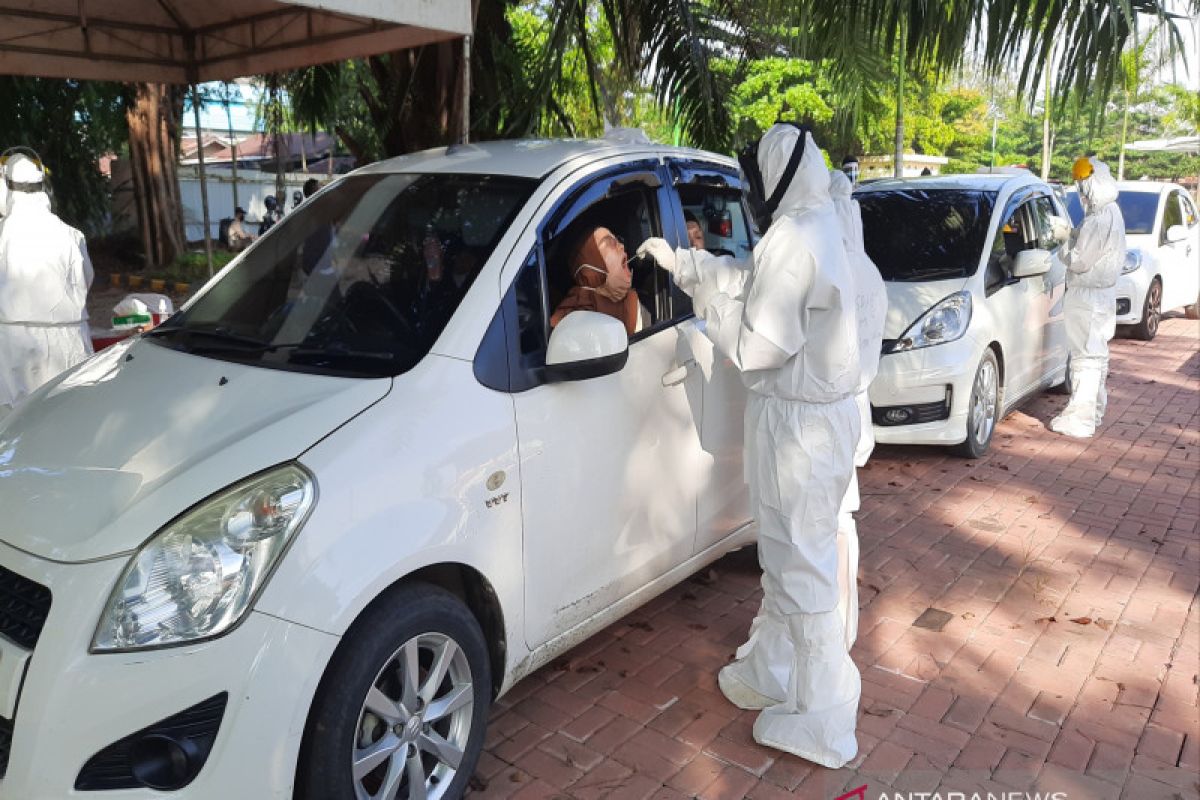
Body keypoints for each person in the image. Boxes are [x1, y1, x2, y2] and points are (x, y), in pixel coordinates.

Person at [637, 124, 861, 767]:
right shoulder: (823, 220)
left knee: (802, 568)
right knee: (788, 555)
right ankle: (773, 668)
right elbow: (756, 280)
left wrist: (708, 305)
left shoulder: (798, 236)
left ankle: (824, 715)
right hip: (816, 418)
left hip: (798, 425)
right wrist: (690, 266)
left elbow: (760, 343)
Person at [0, 154, 94, 418]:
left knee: (13, 428)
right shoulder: (71, 234)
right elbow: (86, 280)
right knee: (70, 420)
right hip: (71, 342)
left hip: (12, 346)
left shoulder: (2, 234)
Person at [1048, 156, 1124, 438]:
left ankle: (1080, 420)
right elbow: (1092, 243)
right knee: (1097, 357)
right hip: (1102, 296)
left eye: (1082, 185)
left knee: (1085, 360)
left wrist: (1063, 240)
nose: (1080, 192)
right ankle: (1094, 413)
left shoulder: (1099, 218)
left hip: (1088, 296)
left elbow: (1078, 260)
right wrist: (1073, 232)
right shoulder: (1110, 212)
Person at [550, 225, 649, 337]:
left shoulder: (637, 305)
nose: (621, 246)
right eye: (610, 243)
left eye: (618, 240)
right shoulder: (571, 320)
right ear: (590, 265)